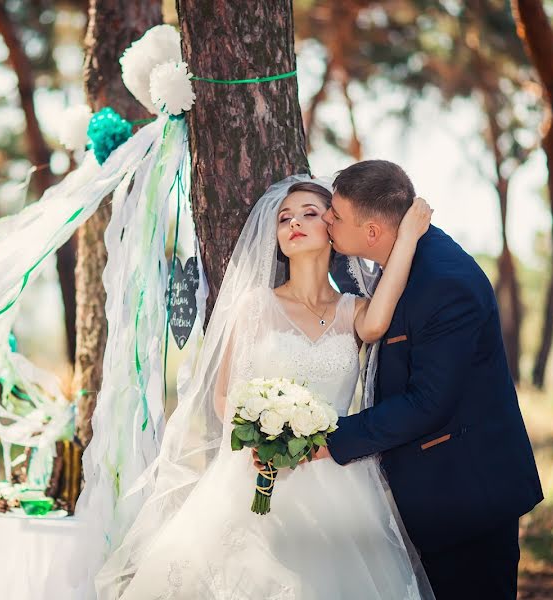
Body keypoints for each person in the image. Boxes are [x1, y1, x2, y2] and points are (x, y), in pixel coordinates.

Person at [95, 174, 435, 599]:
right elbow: (222, 395)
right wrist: (264, 435)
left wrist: (406, 237)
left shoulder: (356, 311)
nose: (293, 222)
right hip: (258, 471)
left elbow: (379, 323)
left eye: (310, 214)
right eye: (284, 218)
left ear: (332, 231)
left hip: (336, 477)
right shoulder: (254, 305)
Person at [319, 160, 543, 599]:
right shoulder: (400, 256)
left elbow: (428, 403)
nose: (326, 219)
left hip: (467, 501)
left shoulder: (445, 283)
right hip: (432, 496)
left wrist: (328, 438)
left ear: (372, 233)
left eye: (334, 215)